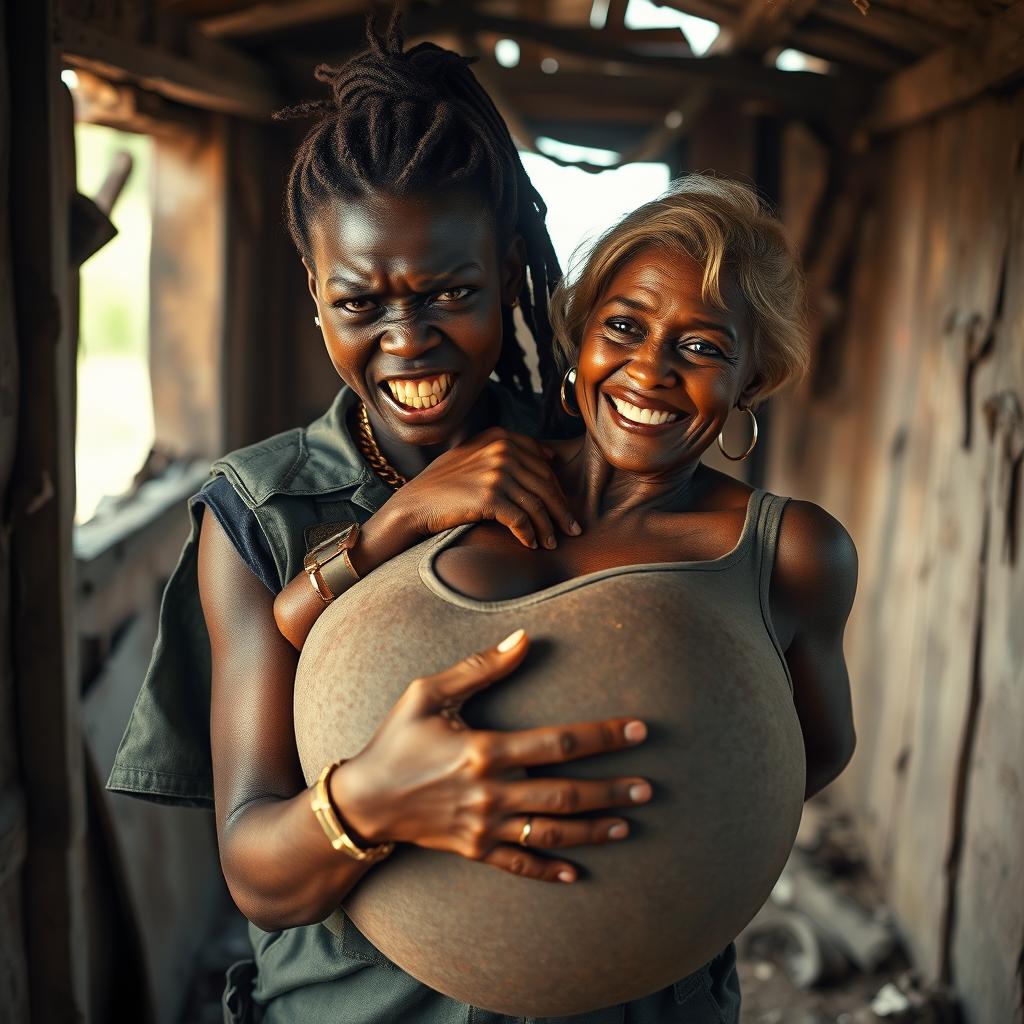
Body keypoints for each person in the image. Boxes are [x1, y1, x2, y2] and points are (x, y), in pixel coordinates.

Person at [109, 15, 724, 1023]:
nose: (410, 342)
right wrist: (373, 798)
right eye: (361, 304)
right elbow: (260, 874)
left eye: (452, 292)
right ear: (314, 293)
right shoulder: (259, 516)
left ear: (510, 270)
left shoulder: (594, 464)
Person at [280, 175, 858, 1019]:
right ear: (581, 339)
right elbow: (296, 621)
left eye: (701, 348)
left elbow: (816, 750)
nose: (649, 371)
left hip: (650, 995)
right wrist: (402, 515)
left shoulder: (793, 550)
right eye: (623, 327)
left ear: (751, 382)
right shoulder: (489, 472)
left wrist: (682, 818)